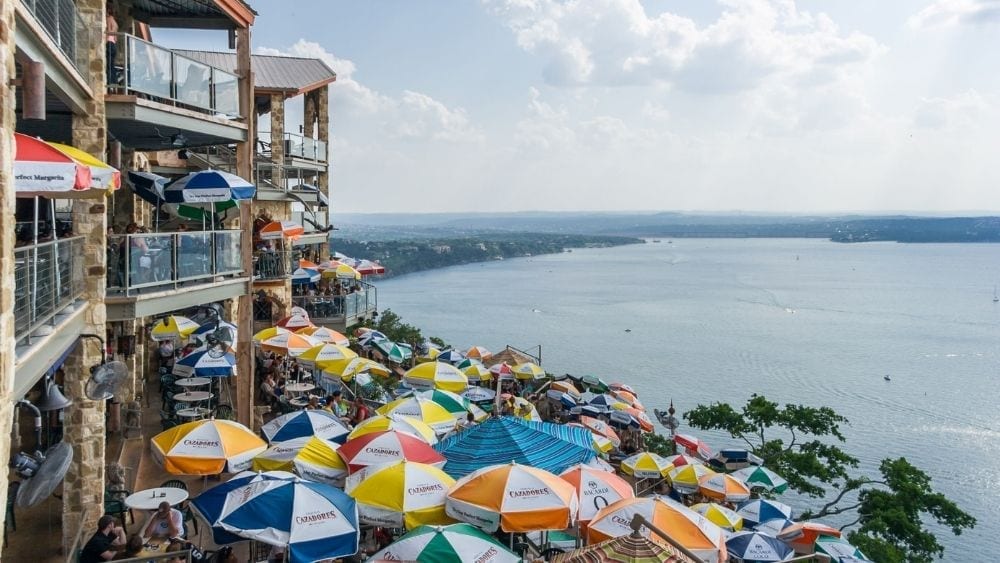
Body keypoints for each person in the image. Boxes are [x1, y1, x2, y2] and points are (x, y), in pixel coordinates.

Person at [106, 6, 118, 85]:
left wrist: (105, 38)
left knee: (109, 65)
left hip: (109, 43)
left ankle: (110, 82)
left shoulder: (109, 19)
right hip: (113, 44)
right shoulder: (115, 23)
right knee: (112, 64)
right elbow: (116, 38)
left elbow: (109, 31)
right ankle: (114, 82)